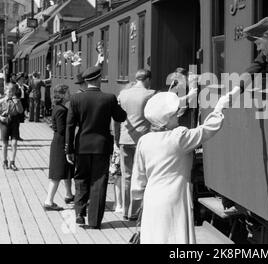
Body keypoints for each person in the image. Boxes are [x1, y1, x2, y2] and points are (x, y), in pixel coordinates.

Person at [131, 92, 229, 244]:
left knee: (155, 238)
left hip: (152, 199)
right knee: (176, 238)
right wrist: (219, 108)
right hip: (175, 198)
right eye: (174, 113)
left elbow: (138, 180)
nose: (177, 115)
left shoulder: (144, 141)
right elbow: (207, 130)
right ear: (166, 117)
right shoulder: (179, 137)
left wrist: (139, 199)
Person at [66, 66, 127, 229]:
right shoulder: (109, 98)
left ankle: (79, 214)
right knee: (99, 182)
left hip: (82, 146)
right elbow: (121, 116)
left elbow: (70, 126)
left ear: (85, 81)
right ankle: (94, 221)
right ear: (99, 79)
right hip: (101, 146)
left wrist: (68, 149)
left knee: (81, 179)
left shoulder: (75, 99)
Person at [114, 69, 155, 221]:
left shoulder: (123, 94)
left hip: (125, 139)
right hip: (142, 141)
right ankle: (137, 212)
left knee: (127, 177)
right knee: (143, 176)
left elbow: (116, 119)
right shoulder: (150, 94)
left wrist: (116, 139)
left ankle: (126, 211)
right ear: (147, 79)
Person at [226, 17, 268, 101]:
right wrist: (235, 91)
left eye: (258, 43)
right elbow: (252, 69)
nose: (258, 49)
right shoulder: (267, 53)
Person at [44, 84, 75, 211]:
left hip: (58, 142)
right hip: (60, 143)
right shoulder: (61, 110)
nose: (70, 94)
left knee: (66, 169)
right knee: (57, 174)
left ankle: (68, 194)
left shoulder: (58, 107)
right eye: (68, 92)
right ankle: (48, 201)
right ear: (62, 95)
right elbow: (62, 129)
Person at [0, 83, 24, 171]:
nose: (11, 93)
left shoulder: (17, 100)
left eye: (12, 91)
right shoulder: (2, 101)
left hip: (14, 122)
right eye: (9, 91)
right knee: (5, 144)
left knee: (14, 143)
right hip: (4, 122)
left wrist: (17, 102)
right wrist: (0, 117)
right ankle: (5, 161)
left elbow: (20, 111)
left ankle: (12, 162)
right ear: (5, 91)